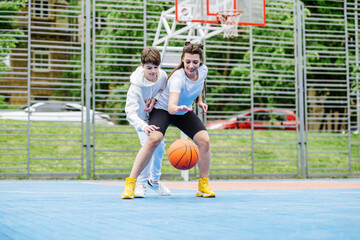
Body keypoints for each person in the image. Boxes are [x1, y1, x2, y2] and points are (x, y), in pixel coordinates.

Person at [122, 42, 215, 199]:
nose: (191, 66)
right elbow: (171, 106)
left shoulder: (203, 71)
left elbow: (198, 83)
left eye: (195, 62)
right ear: (182, 60)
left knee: (204, 140)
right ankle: (131, 183)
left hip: (183, 110)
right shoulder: (177, 78)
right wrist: (175, 108)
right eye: (187, 62)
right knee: (154, 139)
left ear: (201, 62)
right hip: (164, 109)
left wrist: (200, 101)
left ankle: (203, 185)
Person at [125, 47, 171, 198]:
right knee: (149, 147)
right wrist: (143, 126)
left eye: (156, 67)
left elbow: (163, 90)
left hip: (154, 116)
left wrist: (154, 99)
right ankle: (141, 183)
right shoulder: (135, 87)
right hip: (141, 121)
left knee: (160, 146)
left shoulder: (162, 76)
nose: (153, 71)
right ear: (142, 65)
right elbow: (130, 112)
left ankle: (154, 181)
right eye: (149, 68)